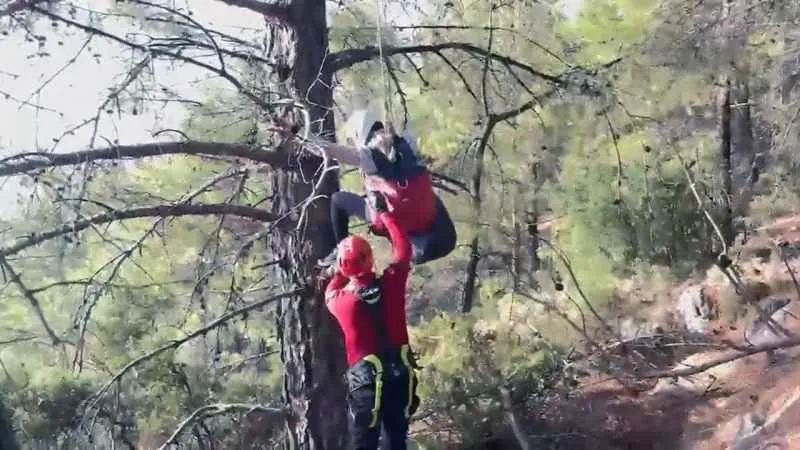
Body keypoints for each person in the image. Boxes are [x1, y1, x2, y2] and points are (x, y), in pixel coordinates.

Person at [272, 109, 457, 267]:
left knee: (339, 201)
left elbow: (326, 149)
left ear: (359, 135)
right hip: (435, 228)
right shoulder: (408, 142)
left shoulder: (367, 156)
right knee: (425, 194)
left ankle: (341, 251)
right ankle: (418, 239)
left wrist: (296, 132)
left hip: (395, 224)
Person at [324, 193, 420, 450]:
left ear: (343, 268)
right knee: (396, 441)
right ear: (371, 258)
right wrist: (384, 214)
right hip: (400, 376)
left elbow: (332, 286)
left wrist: (337, 269)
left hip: (367, 386)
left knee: (362, 444)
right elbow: (403, 249)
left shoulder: (339, 301)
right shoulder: (392, 282)